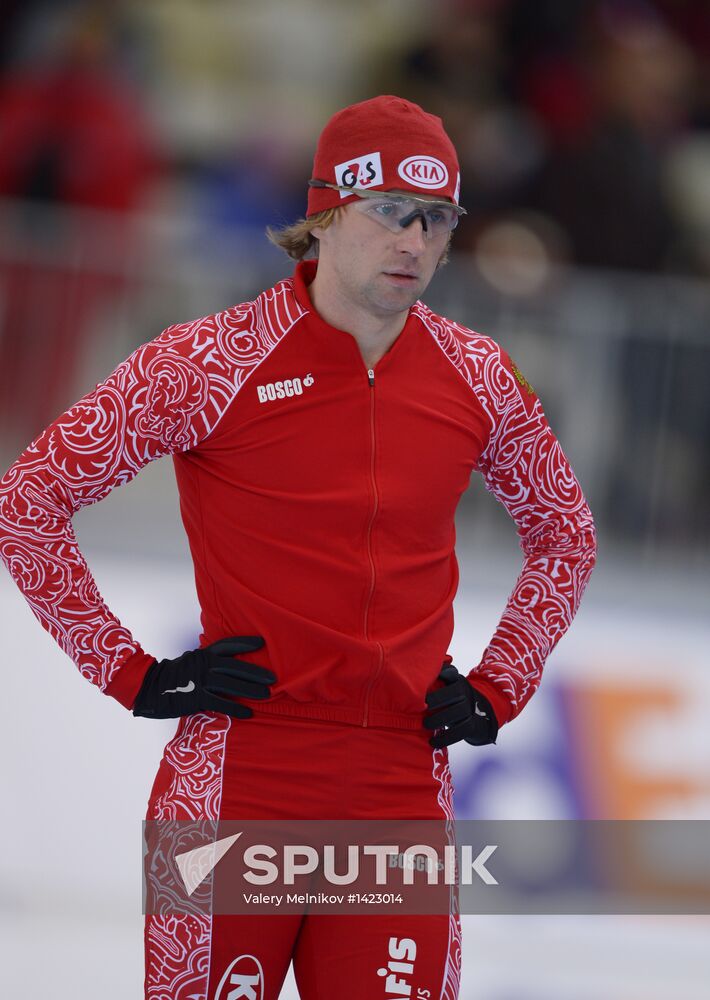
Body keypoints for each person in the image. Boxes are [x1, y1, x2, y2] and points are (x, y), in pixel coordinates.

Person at [0, 95, 596, 999]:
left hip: (398, 785)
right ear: (325, 215)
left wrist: (499, 686)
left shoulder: (478, 377)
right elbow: (30, 500)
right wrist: (131, 673)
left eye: (436, 220)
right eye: (391, 212)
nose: (416, 242)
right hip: (244, 773)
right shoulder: (209, 361)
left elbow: (565, 536)